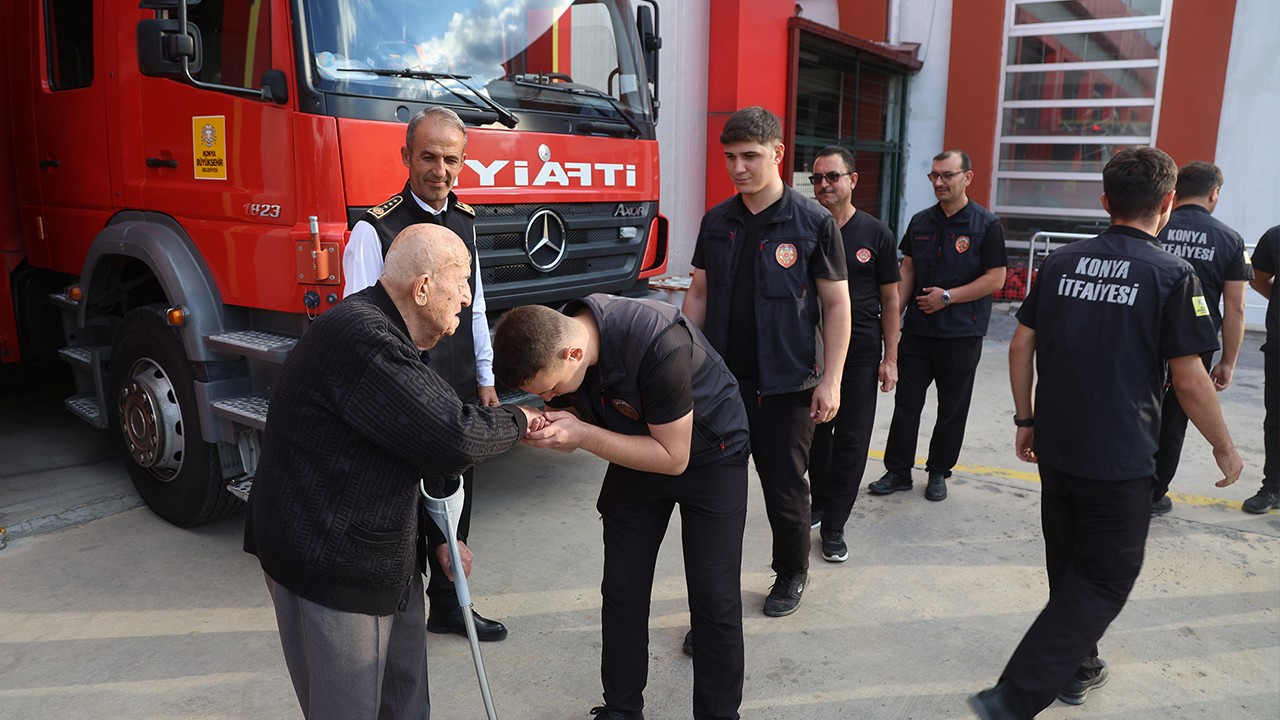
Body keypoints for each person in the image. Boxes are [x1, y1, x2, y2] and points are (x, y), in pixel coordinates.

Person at [968, 146, 1243, 720]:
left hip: (1059, 445)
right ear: (1167, 204)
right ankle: (1015, 696)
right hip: (1119, 456)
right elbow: (1190, 380)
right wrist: (1224, 446)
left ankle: (1081, 663)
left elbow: (1021, 345)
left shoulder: (1063, 263)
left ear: (1104, 201)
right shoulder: (1173, 274)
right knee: (1107, 574)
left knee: (1067, 561)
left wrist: (1026, 418)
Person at [245, 224, 537, 720]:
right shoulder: (361, 337)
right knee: (350, 708)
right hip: (330, 567)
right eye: (462, 280)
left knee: (404, 703)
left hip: (388, 558)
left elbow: (420, 432)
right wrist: (523, 418)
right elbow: (452, 436)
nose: (469, 296)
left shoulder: (393, 334)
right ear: (421, 288)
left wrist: (442, 534)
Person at [492, 295, 751, 720]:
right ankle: (622, 708)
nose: (551, 397)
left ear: (573, 353)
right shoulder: (565, 342)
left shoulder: (657, 342)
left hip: (709, 453)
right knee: (622, 588)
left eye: (551, 389)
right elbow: (579, 412)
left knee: (713, 597)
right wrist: (550, 422)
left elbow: (673, 457)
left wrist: (582, 435)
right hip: (637, 444)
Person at [343, 107, 509, 641]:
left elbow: (476, 305)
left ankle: (451, 607)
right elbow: (357, 324)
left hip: (457, 382)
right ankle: (397, 615)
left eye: (451, 159)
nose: (440, 170)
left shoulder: (465, 222)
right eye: (429, 156)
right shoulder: (374, 228)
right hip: (400, 392)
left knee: (455, 497)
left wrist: (485, 379)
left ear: (464, 162)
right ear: (406, 157)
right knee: (402, 504)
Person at [682, 106, 851, 617]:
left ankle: (791, 571)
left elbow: (837, 303)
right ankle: (715, 602)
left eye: (750, 156)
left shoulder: (813, 222)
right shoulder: (717, 222)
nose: (738, 168)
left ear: (777, 153)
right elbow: (699, 294)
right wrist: (682, 366)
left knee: (784, 492)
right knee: (715, 498)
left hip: (787, 387)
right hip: (721, 387)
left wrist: (833, 379)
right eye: (730, 157)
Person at [869, 149, 1007, 502]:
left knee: (952, 408)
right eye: (934, 176)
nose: (940, 182)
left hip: (962, 333)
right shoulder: (920, 222)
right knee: (906, 405)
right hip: (918, 333)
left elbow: (995, 279)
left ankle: (938, 472)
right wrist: (892, 312)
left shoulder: (986, 225)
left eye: (947, 175)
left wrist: (948, 297)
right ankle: (898, 470)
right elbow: (908, 271)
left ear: (967, 177)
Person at [805, 145, 900, 563]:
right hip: (811, 353)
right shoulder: (805, 227)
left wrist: (890, 357)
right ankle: (821, 500)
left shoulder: (876, 233)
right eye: (817, 178)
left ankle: (835, 525)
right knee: (814, 437)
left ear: (852, 180)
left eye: (832, 177)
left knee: (852, 441)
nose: (824, 185)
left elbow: (891, 300)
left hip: (860, 353)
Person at [1150, 162, 1253, 516]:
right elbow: (1236, 308)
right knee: (1174, 420)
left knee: (1133, 410)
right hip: (1193, 345)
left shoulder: (1154, 223)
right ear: (1214, 193)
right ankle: (1153, 493)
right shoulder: (1229, 239)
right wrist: (1228, 361)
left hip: (1144, 338)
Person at [1243, 224, 1278, 513]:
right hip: (1279, 347)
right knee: (1276, 420)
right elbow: (1258, 278)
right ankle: (1273, 488)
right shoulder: (1276, 236)